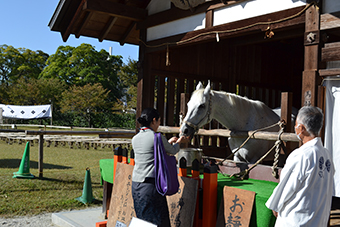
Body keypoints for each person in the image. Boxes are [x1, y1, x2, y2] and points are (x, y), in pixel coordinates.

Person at [266, 106, 334, 227]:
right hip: (318, 219)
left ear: (301, 128)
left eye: (296, 125)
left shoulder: (301, 155)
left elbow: (287, 186)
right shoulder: (327, 155)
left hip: (296, 220)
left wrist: (276, 205)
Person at [131, 108, 187, 227]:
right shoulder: (157, 137)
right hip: (150, 187)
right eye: (159, 122)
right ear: (154, 120)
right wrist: (180, 141)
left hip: (136, 185)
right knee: (158, 220)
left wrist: (168, 141)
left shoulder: (135, 139)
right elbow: (172, 150)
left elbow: (153, 151)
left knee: (142, 220)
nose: (158, 125)